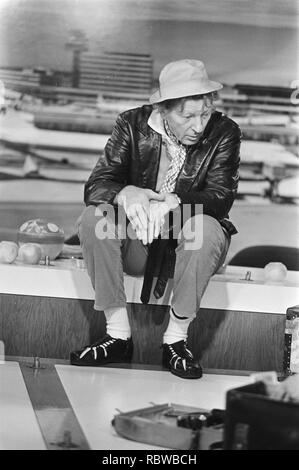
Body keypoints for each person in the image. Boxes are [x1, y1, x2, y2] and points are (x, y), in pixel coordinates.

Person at [70, 59, 241, 379]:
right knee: (95, 219)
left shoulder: (225, 131)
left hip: (190, 237)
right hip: (137, 242)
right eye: (186, 116)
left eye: (204, 113)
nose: (199, 126)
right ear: (163, 110)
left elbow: (221, 197)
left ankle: (176, 341)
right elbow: (97, 186)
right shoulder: (130, 124)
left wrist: (175, 202)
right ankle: (117, 335)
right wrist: (126, 193)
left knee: (205, 228)